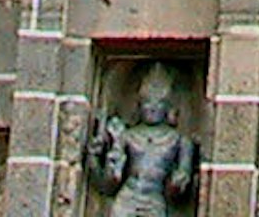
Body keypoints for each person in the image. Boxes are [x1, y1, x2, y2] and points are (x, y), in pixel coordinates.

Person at [83, 67, 203, 217]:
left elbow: (182, 182)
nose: (152, 108)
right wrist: (97, 158)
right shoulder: (127, 135)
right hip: (129, 194)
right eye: (147, 102)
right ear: (139, 105)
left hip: (155, 197)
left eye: (159, 103)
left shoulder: (179, 140)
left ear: (168, 107)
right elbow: (109, 182)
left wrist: (179, 181)